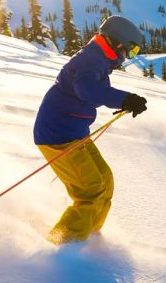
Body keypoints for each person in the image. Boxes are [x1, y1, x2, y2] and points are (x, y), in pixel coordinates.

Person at [33, 15, 148, 245]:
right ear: (117, 43)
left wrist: (125, 100)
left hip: (72, 133)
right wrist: (125, 99)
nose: (129, 57)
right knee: (90, 191)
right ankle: (64, 244)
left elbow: (90, 90)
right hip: (57, 135)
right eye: (131, 51)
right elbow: (87, 90)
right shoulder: (90, 61)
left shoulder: (99, 59)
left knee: (104, 180)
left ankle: (88, 234)